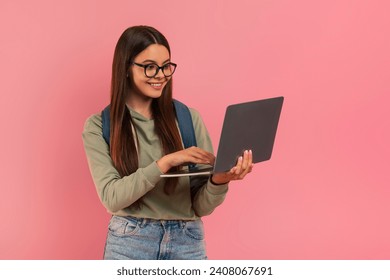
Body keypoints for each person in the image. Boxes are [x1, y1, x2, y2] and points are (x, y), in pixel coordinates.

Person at [82, 25, 253, 260]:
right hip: (130, 243)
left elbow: (201, 207)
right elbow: (112, 198)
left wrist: (219, 180)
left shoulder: (188, 119)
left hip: (187, 242)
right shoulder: (99, 126)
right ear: (126, 69)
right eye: (150, 67)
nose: (161, 75)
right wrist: (165, 162)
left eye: (165, 66)